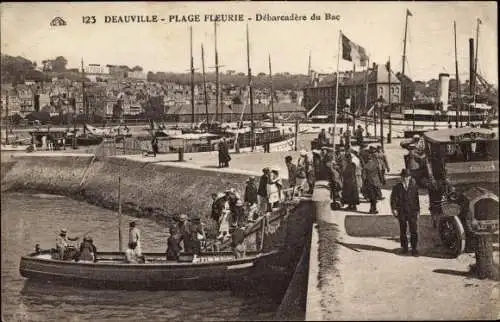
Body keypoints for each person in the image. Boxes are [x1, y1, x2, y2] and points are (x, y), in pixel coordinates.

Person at [390, 169, 421, 256]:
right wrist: (394, 209)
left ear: (410, 177)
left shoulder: (414, 187)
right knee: (403, 230)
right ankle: (405, 247)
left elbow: (416, 200)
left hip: (412, 211)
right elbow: (393, 199)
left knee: (413, 230)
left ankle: (414, 248)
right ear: (401, 177)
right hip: (402, 211)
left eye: (407, 177)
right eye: (403, 176)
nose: (405, 178)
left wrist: (418, 211)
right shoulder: (397, 187)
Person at [362, 148, 382, 214]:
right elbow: (379, 173)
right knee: (375, 196)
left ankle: (372, 209)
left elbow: (364, 176)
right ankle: (374, 208)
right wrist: (381, 180)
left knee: (371, 196)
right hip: (376, 182)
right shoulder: (376, 164)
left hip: (369, 182)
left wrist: (364, 183)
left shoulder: (366, 166)